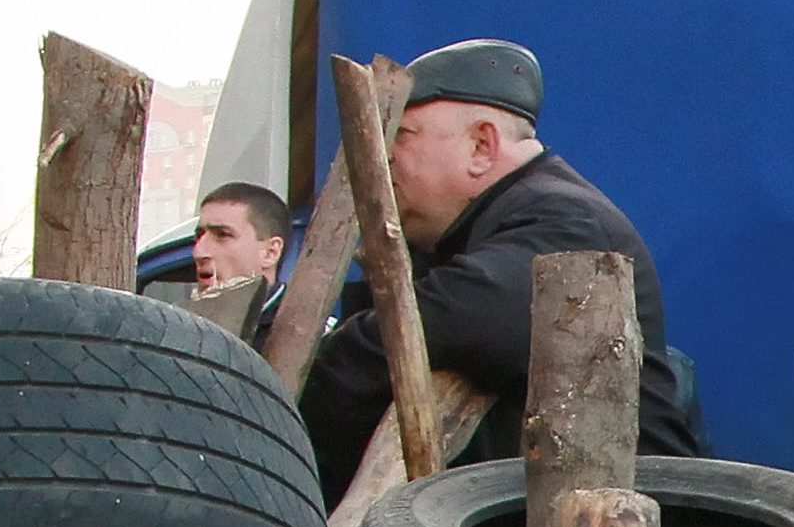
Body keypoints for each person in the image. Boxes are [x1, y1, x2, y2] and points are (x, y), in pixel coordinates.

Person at [299, 40, 700, 503]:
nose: (384, 159)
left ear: (481, 146)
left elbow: (442, 324)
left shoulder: (567, 221)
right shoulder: (482, 229)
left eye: (401, 136)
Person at [184, 183, 294, 344]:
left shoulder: (306, 335)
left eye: (222, 235)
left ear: (271, 252)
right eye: (199, 236)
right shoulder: (186, 329)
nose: (199, 253)